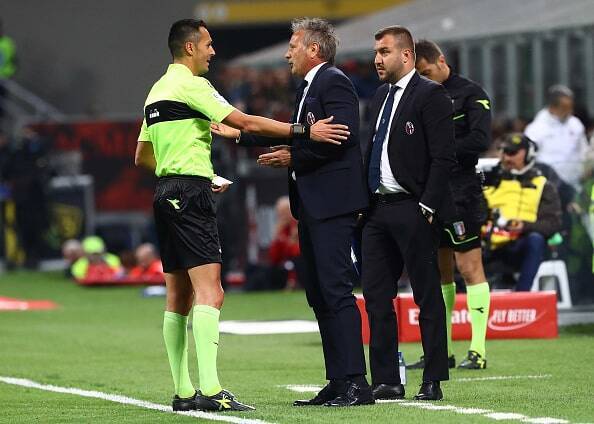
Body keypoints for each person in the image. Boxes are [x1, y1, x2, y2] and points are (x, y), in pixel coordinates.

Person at [134, 19, 348, 413]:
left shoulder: (156, 91)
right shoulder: (193, 85)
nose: (213, 51)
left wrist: (187, 172)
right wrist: (304, 131)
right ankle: (212, 390)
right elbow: (245, 123)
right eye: (208, 44)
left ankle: (184, 392)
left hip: (165, 193)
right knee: (211, 292)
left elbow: (142, 156)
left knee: (177, 297)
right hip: (189, 195)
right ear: (189, 48)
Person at [212, 17, 372, 407]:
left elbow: (342, 137)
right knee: (318, 294)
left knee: (336, 291)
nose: (287, 54)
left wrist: (294, 157)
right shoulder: (309, 88)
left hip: (332, 204)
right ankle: (338, 380)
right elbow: (298, 135)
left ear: (313, 49)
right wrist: (241, 135)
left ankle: (357, 383)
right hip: (313, 205)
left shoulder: (333, 82)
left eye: (293, 46)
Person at [361, 26, 456, 402]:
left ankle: (433, 379)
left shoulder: (431, 95)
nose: (377, 59)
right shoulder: (379, 96)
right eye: (376, 52)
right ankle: (386, 380)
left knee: (427, 296)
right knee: (376, 297)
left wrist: (427, 207)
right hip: (377, 210)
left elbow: (443, 158)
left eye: (384, 52)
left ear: (406, 55)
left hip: (412, 208)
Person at [408, 39, 492, 370]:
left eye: (427, 72)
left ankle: (478, 350)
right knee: (439, 271)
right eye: (419, 75)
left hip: (462, 191)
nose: (424, 78)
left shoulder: (471, 94)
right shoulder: (419, 96)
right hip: (430, 191)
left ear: (441, 61)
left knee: (469, 267)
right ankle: (440, 352)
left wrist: (441, 151)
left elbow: (480, 140)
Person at [483, 133, 562, 290]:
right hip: (487, 243)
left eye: (512, 153)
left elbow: (553, 224)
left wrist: (524, 226)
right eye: (504, 152)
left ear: (528, 155)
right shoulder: (488, 180)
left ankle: (522, 294)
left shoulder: (543, 185)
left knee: (536, 239)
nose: (507, 158)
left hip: (520, 245)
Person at [524, 85, 589, 191]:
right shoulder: (536, 128)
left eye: (571, 107)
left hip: (575, 184)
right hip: (548, 185)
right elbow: (529, 157)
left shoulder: (576, 124)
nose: (570, 111)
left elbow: (584, 151)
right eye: (565, 107)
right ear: (553, 107)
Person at [268, 196, 300, 290]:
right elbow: (273, 257)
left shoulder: (298, 225)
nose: (282, 215)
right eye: (280, 212)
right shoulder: (280, 228)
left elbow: (296, 252)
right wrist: (277, 236)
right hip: (282, 267)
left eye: (285, 211)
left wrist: (291, 240)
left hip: (298, 266)